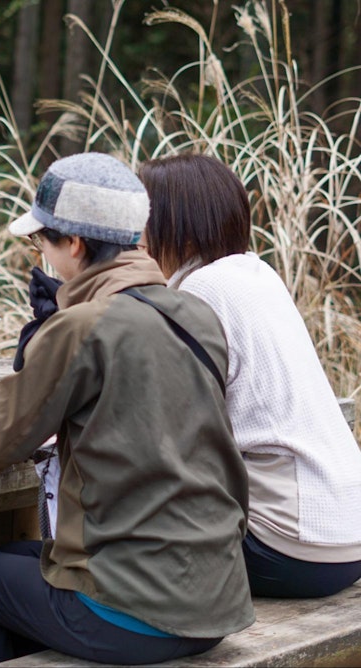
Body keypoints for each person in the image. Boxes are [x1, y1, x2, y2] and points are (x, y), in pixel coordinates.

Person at [0, 152, 255, 667]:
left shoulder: (83, 326)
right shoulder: (195, 314)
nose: (41, 255)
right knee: (16, 560)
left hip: (133, 612)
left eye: (42, 241)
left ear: (74, 243)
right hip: (217, 597)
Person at [140, 153, 361, 598]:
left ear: (175, 225)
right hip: (346, 536)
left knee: (121, 551)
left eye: (141, 217)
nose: (135, 235)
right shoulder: (258, 275)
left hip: (286, 546)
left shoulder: (198, 293)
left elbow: (165, 433)